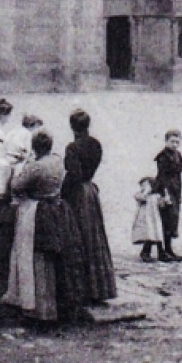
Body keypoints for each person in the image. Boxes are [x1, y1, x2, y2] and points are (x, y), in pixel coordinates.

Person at [5, 130, 85, 325]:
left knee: (36, 259)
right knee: (57, 258)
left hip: (37, 210)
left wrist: (22, 166)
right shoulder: (57, 160)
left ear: (35, 147)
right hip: (58, 207)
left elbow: (16, 186)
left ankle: (39, 310)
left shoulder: (36, 167)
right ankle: (59, 308)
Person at [62, 109, 118, 304]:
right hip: (90, 193)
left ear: (72, 126)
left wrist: (62, 193)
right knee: (95, 238)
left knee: (79, 237)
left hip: (78, 194)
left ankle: (82, 290)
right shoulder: (96, 144)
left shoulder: (72, 148)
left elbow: (74, 176)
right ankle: (99, 288)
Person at [153, 129, 182, 262]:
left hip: (175, 189)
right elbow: (161, 176)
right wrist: (164, 194)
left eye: (177, 142)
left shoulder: (178, 155)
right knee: (163, 220)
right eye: (172, 141)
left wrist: (179, 194)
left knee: (172, 221)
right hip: (164, 189)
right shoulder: (162, 156)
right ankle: (161, 252)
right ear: (166, 141)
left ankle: (169, 250)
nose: (174, 144)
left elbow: (178, 175)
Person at [131, 177, 167, 262]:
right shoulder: (142, 195)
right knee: (149, 236)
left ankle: (160, 252)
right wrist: (146, 191)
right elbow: (140, 198)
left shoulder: (156, 196)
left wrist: (165, 199)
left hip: (155, 219)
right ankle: (146, 253)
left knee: (157, 235)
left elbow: (162, 205)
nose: (143, 188)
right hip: (146, 220)